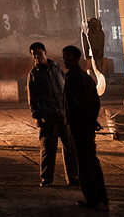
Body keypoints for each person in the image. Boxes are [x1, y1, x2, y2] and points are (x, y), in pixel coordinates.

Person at [62, 44, 108, 209]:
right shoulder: (85, 76)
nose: (65, 59)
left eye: (68, 56)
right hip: (87, 125)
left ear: (76, 58)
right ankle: (101, 195)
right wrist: (93, 119)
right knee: (92, 159)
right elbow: (95, 101)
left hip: (77, 126)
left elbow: (78, 103)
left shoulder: (72, 78)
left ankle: (91, 198)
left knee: (82, 162)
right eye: (64, 56)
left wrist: (88, 119)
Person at [27, 41, 79, 188]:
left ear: (45, 52)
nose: (37, 57)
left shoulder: (56, 67)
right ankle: (46, 178)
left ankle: (73, 177)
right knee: (48, 150)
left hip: (64, 115)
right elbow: (33, 98)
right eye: (34, 55)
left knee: (70, 148)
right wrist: (36, 116)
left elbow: (65, 87)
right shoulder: (34, 74)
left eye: (38, 53)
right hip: (48, 117)